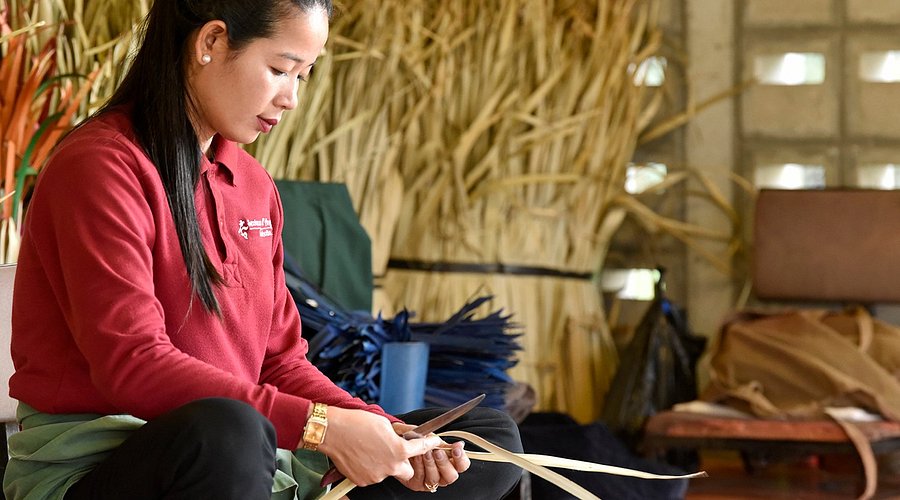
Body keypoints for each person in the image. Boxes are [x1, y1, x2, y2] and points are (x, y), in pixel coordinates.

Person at [3, 0, 523, 499]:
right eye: (280, 69)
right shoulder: (100, 167)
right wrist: (323, 429)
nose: (291, 98)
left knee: (487, 438)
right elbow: (133, 365)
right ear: (211, 41)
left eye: (304, 75)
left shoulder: (252, 185)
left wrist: (385, 431)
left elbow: (280, 363)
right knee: (227, 433)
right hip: (117, 463)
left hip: (255, 454)